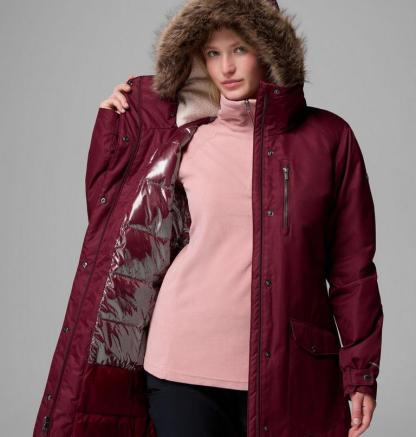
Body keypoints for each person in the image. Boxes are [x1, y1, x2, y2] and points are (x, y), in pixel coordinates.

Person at [33, 1, 384, 437]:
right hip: (180, 362)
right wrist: (114, 129)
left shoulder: (329, 138)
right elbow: (113, 225)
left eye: (239, 49)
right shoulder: (186, 135)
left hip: (289, 370)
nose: (226, 68)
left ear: (270, 48)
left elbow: (352, 267)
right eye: (213, 53)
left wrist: (360, 370)